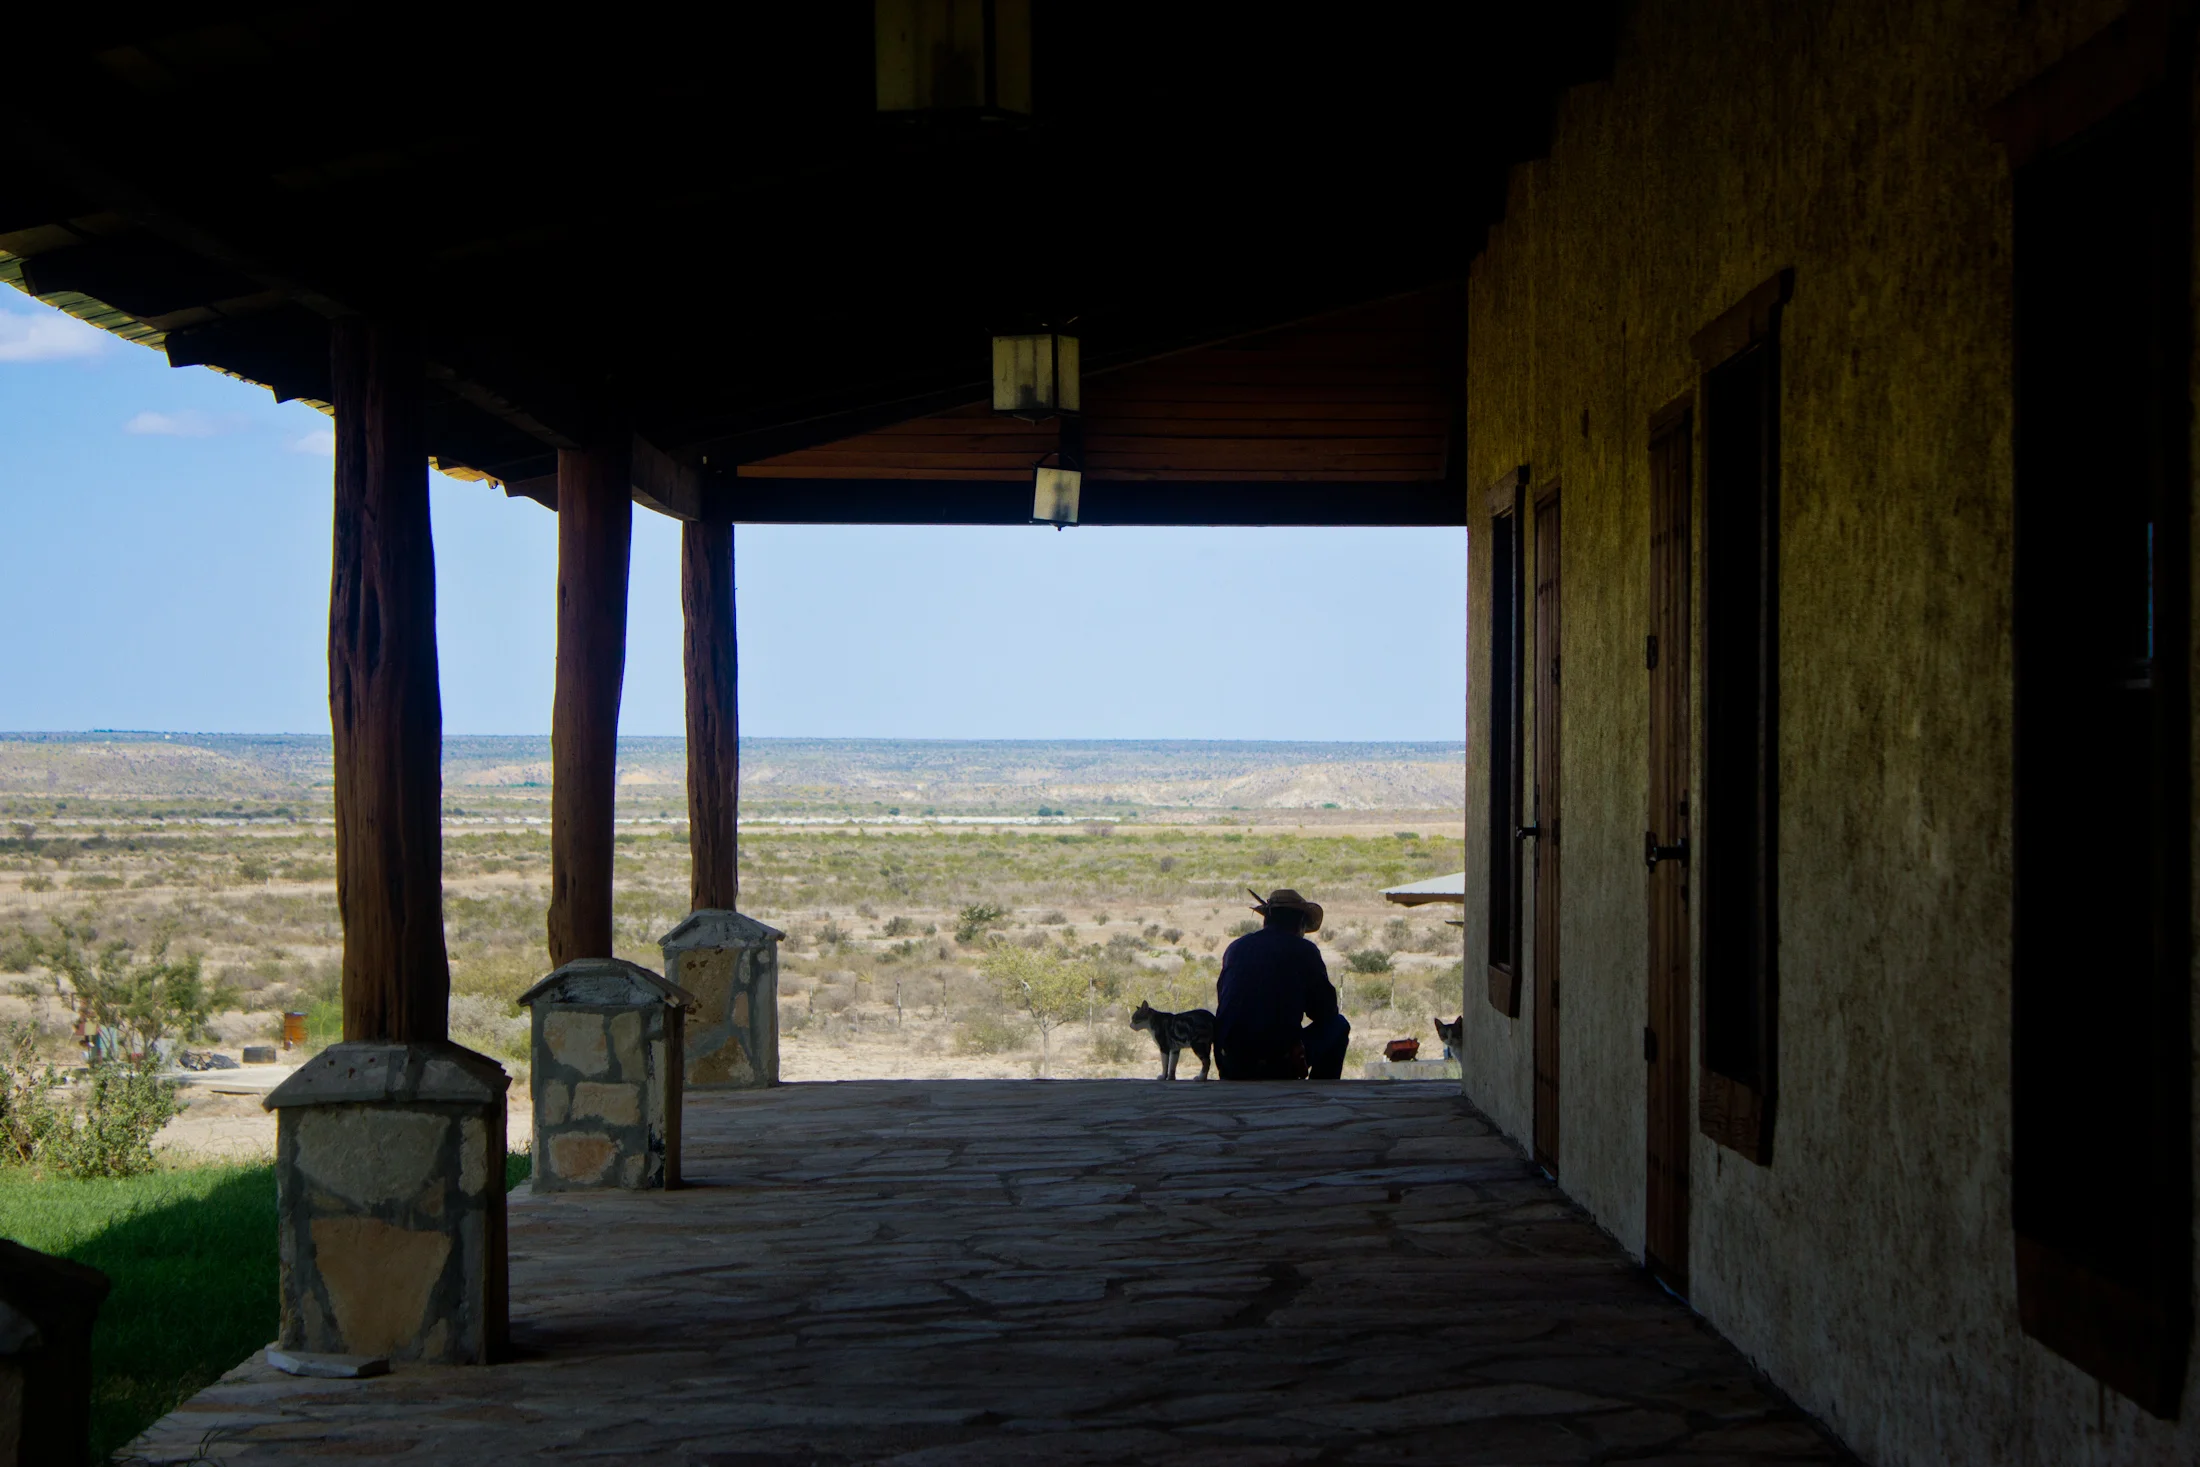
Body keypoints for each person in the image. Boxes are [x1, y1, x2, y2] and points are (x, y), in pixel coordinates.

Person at [1214, 888, 1351, 1080]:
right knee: (1338, 1025)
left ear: (1266, 919)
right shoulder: (1303, 950)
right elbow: (1326, 1012)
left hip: (1230, 1062)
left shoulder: (1236, 948)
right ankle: (1320, 1092)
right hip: (1276, 1063)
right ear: (1300, 923)